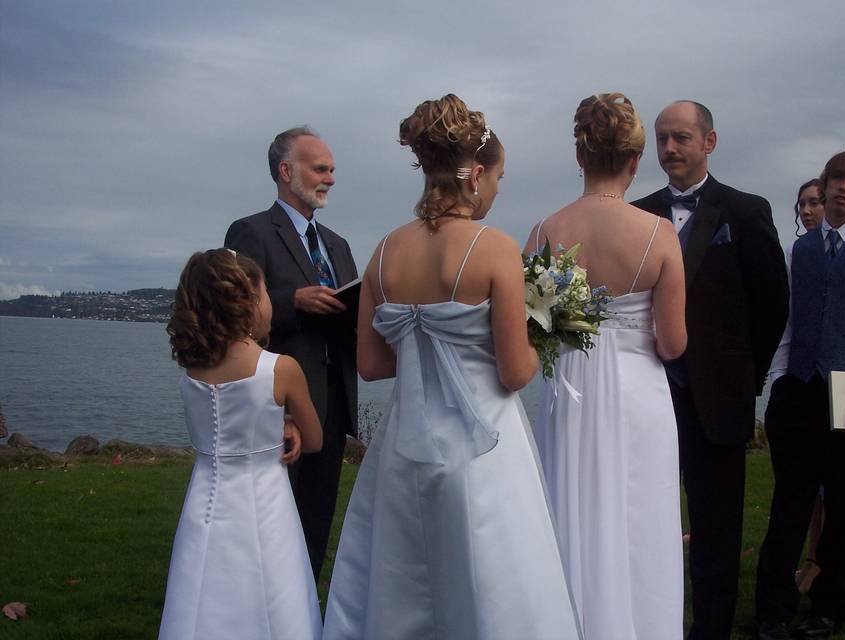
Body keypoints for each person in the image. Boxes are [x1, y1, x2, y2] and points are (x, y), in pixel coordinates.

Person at [323, 94, 581, 640]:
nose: (496, 189)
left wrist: (421, 344)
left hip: (402, 448)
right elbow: (514, 373)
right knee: (490, 578)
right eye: (500, 178)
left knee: (408, 579)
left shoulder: (384, 252)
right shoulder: (494, 249)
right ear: (476, 174)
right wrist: (543, 332)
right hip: (483, 447)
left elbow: (370, 365)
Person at [524, 93, 687, 639]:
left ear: (580, 157)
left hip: (569, 390)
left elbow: (532, 330)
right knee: (639, 522)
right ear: (635, 160)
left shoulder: (545, 230)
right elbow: (672, 344)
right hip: (638, 398)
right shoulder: (659, 234)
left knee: (569, 511)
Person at [630, 100, 789, 640]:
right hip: (646, 395)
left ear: (709, 142)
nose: (670, 149)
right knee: (645, 516)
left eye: (681, 138)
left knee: (717, 525)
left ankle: (711, 630)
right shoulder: (637, 213)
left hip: (718, 397)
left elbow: (772, 304)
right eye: (662, 139)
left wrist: (748, 378)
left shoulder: (745, 212)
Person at [755, 150, 845, 640]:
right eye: (836, 178)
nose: (843, 187)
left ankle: (830, 606)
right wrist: (779, 378)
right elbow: (791, 321)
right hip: (799, 389)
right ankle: (772, 609)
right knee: (789, 506)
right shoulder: (803, 250)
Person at [159, 249, 324, 640]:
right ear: (249, 301)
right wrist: (290, 423)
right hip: (265, 501)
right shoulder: (280, 368)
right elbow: (315, 439)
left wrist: (278, 421)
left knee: (200, 586)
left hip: (204, 498)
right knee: (271, 589)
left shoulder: (191, 370)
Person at [225, 127, 358, 583]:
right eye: (320, 169)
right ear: (286, 172)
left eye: (332, 170)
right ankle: (263, 604)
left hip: (334, 402)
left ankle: (303, 610)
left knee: (317, 516)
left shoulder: (338, 245)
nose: (330, 179)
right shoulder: (251, 232)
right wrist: (292, 302)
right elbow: (233, 312)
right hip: (277, 404)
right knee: (272, 517)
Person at [791, 177, 828, 593]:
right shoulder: (797, 254)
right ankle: (812, 559)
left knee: (835, 486)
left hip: (843, 382)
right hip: (802, 380)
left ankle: (823, 563)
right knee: (810, 488)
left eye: (815, 202)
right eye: (802, 204)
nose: (807, 210)